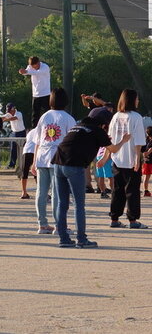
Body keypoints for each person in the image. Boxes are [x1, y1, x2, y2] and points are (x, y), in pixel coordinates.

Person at [51, 108, 131, 248]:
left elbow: (83, 142)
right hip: (74, 166)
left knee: (62, 204)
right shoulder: (97, 130)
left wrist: (103, 140)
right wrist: (124, 140)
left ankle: (63, 239)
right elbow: (113, 150)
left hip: (58, 163)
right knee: (79, 205)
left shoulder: (78, 126)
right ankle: (81, 239)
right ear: (103, 123)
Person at [32, 88, 76, 234]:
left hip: (42, 156)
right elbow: (72, 141)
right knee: (57, 193)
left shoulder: (44, 117)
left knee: (41, 192)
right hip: (58, 157)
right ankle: (59, 225)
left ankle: (42, 224)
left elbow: (37, 141)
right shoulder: (68, 118)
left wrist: (34, 161)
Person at [107, 89, 148, 229]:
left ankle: (114, 218)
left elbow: (110, 138)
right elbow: (138, 141)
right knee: (132, 191)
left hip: (117, 158)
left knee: (117, 190)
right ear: (131, 100)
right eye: (136, 99)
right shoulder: (136, 117)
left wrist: (108, 156)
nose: (138, 101)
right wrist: (138, 159)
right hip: (131, 159)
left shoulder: (116, 116)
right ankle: (133, 220)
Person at [19, 56, 51, 128]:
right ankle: (34, 129)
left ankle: (50, 126)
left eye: (35, 66)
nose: (34, 68)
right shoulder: (30, 67)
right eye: (32, 67)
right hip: (36, 94)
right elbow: (27, 72)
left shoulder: (45, 67)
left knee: (48, 112)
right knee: (35, 114)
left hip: (45, 93)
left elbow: (37, 73)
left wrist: (27, 71)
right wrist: (23, 72)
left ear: (38, 63)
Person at [2, 103, 26, 169]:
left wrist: (5, 119)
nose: (9, 112)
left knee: (23, 150)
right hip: (14, 133)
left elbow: (13, 118)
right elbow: (2, 117)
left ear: (13, 109)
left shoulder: (19, 113)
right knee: (13, 149)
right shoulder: (8, 114)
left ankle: (24, 165)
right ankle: (12, 165)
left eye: (10, 110)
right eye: (8, 111)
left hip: (21, 133)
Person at [17, 128, 38, 199]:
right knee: (37, 173)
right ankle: (41, 192)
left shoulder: (31, 132)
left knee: (24, 172)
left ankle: (24, 192)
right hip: (35, 151)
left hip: (26, 151)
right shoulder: (42, 130)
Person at [142, 126, 152, 198]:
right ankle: (146, 191)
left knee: (146, 177)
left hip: (146, 161)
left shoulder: (146, 140)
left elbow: (143, 151)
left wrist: (144, 155)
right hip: (149, 161)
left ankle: (145, 191)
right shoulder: (147, 140)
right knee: (146, 177)